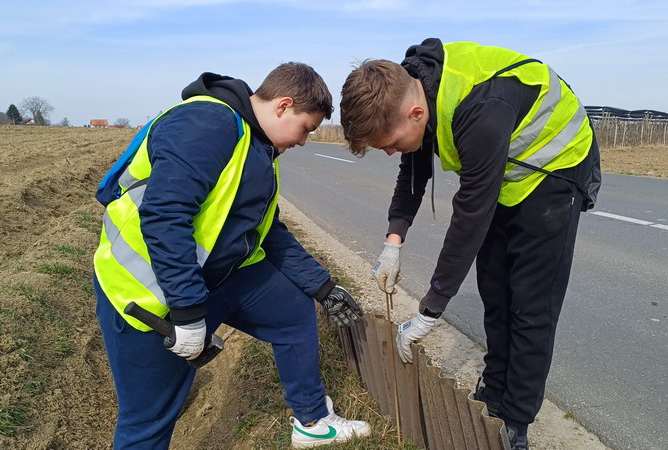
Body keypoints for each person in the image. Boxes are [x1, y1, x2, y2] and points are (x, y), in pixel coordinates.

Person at [340, 38, 601, 450]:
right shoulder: (415, 86)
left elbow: (470, 218)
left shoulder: (479, 109)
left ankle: (515, 420)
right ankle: (494, 390)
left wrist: (430, 310)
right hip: (507, 168)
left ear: (415, 112)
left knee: (530, 306)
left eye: (388, 143)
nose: (390, 152)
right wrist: (394, 239)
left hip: (554, 168)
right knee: (495, 291)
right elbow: (414, 167)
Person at [93, 62, 370, 449]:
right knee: (148, 421)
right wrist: (188, 312)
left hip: (214, 277)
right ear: (283, 105)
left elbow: (266, 230)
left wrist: (322, 286)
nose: (305, 141)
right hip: (148, 297)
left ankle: (312, 421)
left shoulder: (256, 146)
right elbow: (164, 216)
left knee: (292, 312)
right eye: (305, 128)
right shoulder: (206, 123)